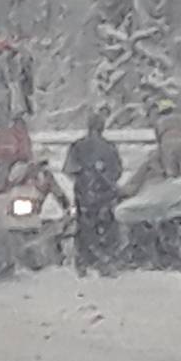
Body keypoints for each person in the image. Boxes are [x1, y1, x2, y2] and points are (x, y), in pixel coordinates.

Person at [63, 109, 123, 276]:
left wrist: (84, 177)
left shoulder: (77, 146)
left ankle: (84, 261)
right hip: (104, 194)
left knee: (84, 227)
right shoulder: (110, 147)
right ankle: (105, 260)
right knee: (105, 226)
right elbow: (117, 170)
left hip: (84, 193)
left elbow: (69, 169)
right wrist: (104, 179)